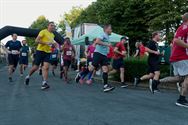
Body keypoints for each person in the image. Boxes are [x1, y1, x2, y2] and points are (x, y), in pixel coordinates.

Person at [25, 22, 56, 90]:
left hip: (48, 52)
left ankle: (44, 83)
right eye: (51, 25)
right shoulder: (43, 31)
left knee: (46, 67)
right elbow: (36, 40)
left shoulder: (53, 35)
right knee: (36, 67)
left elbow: (52, 44)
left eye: (53, 26)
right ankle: (28, 76)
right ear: (48, 26)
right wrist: (46, 43)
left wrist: (54, 46)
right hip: (40, 51)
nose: (52, 27)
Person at [170, 13, 188, 107]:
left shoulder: (181, 27)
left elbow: (175, 42)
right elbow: (176, 40)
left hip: (179, 57)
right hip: (181, 57)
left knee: (181, 78)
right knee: (186, 78)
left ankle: (156, 82)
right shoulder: (185, 27)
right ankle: (181, 99)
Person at [90, 24, 115, 92]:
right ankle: (80, 74)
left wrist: (109, 48)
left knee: (105, 70)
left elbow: (106, 45)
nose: (111, 30)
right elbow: (97, 41)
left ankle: (105, 86)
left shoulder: (107, 37)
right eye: (110, 29)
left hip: (104, 55)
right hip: (98, 53)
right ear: (106, 29)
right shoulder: (102, 34)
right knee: (91, 68)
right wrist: (107, 44)